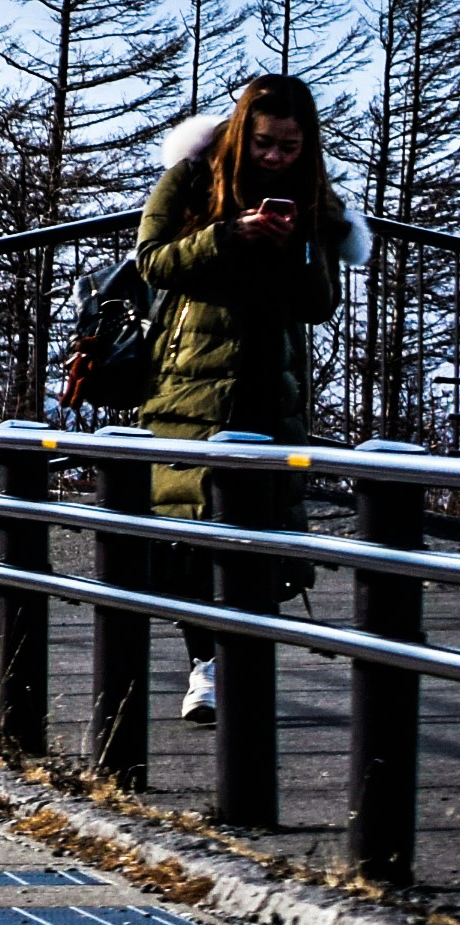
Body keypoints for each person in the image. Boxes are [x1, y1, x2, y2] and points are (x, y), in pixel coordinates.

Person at [137, 73, 359, 723]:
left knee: (261, 536)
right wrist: (228, 234)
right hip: (192, 381)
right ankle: (204, 667)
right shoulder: (192, 178)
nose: (275, 158)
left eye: (290, 147)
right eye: (265, 144)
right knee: (189, 530)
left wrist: (298, 247)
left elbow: (321, 303)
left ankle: (238, 662)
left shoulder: (311, 196)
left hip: (269, 383)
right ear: (242, 132)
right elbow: (154, 260)